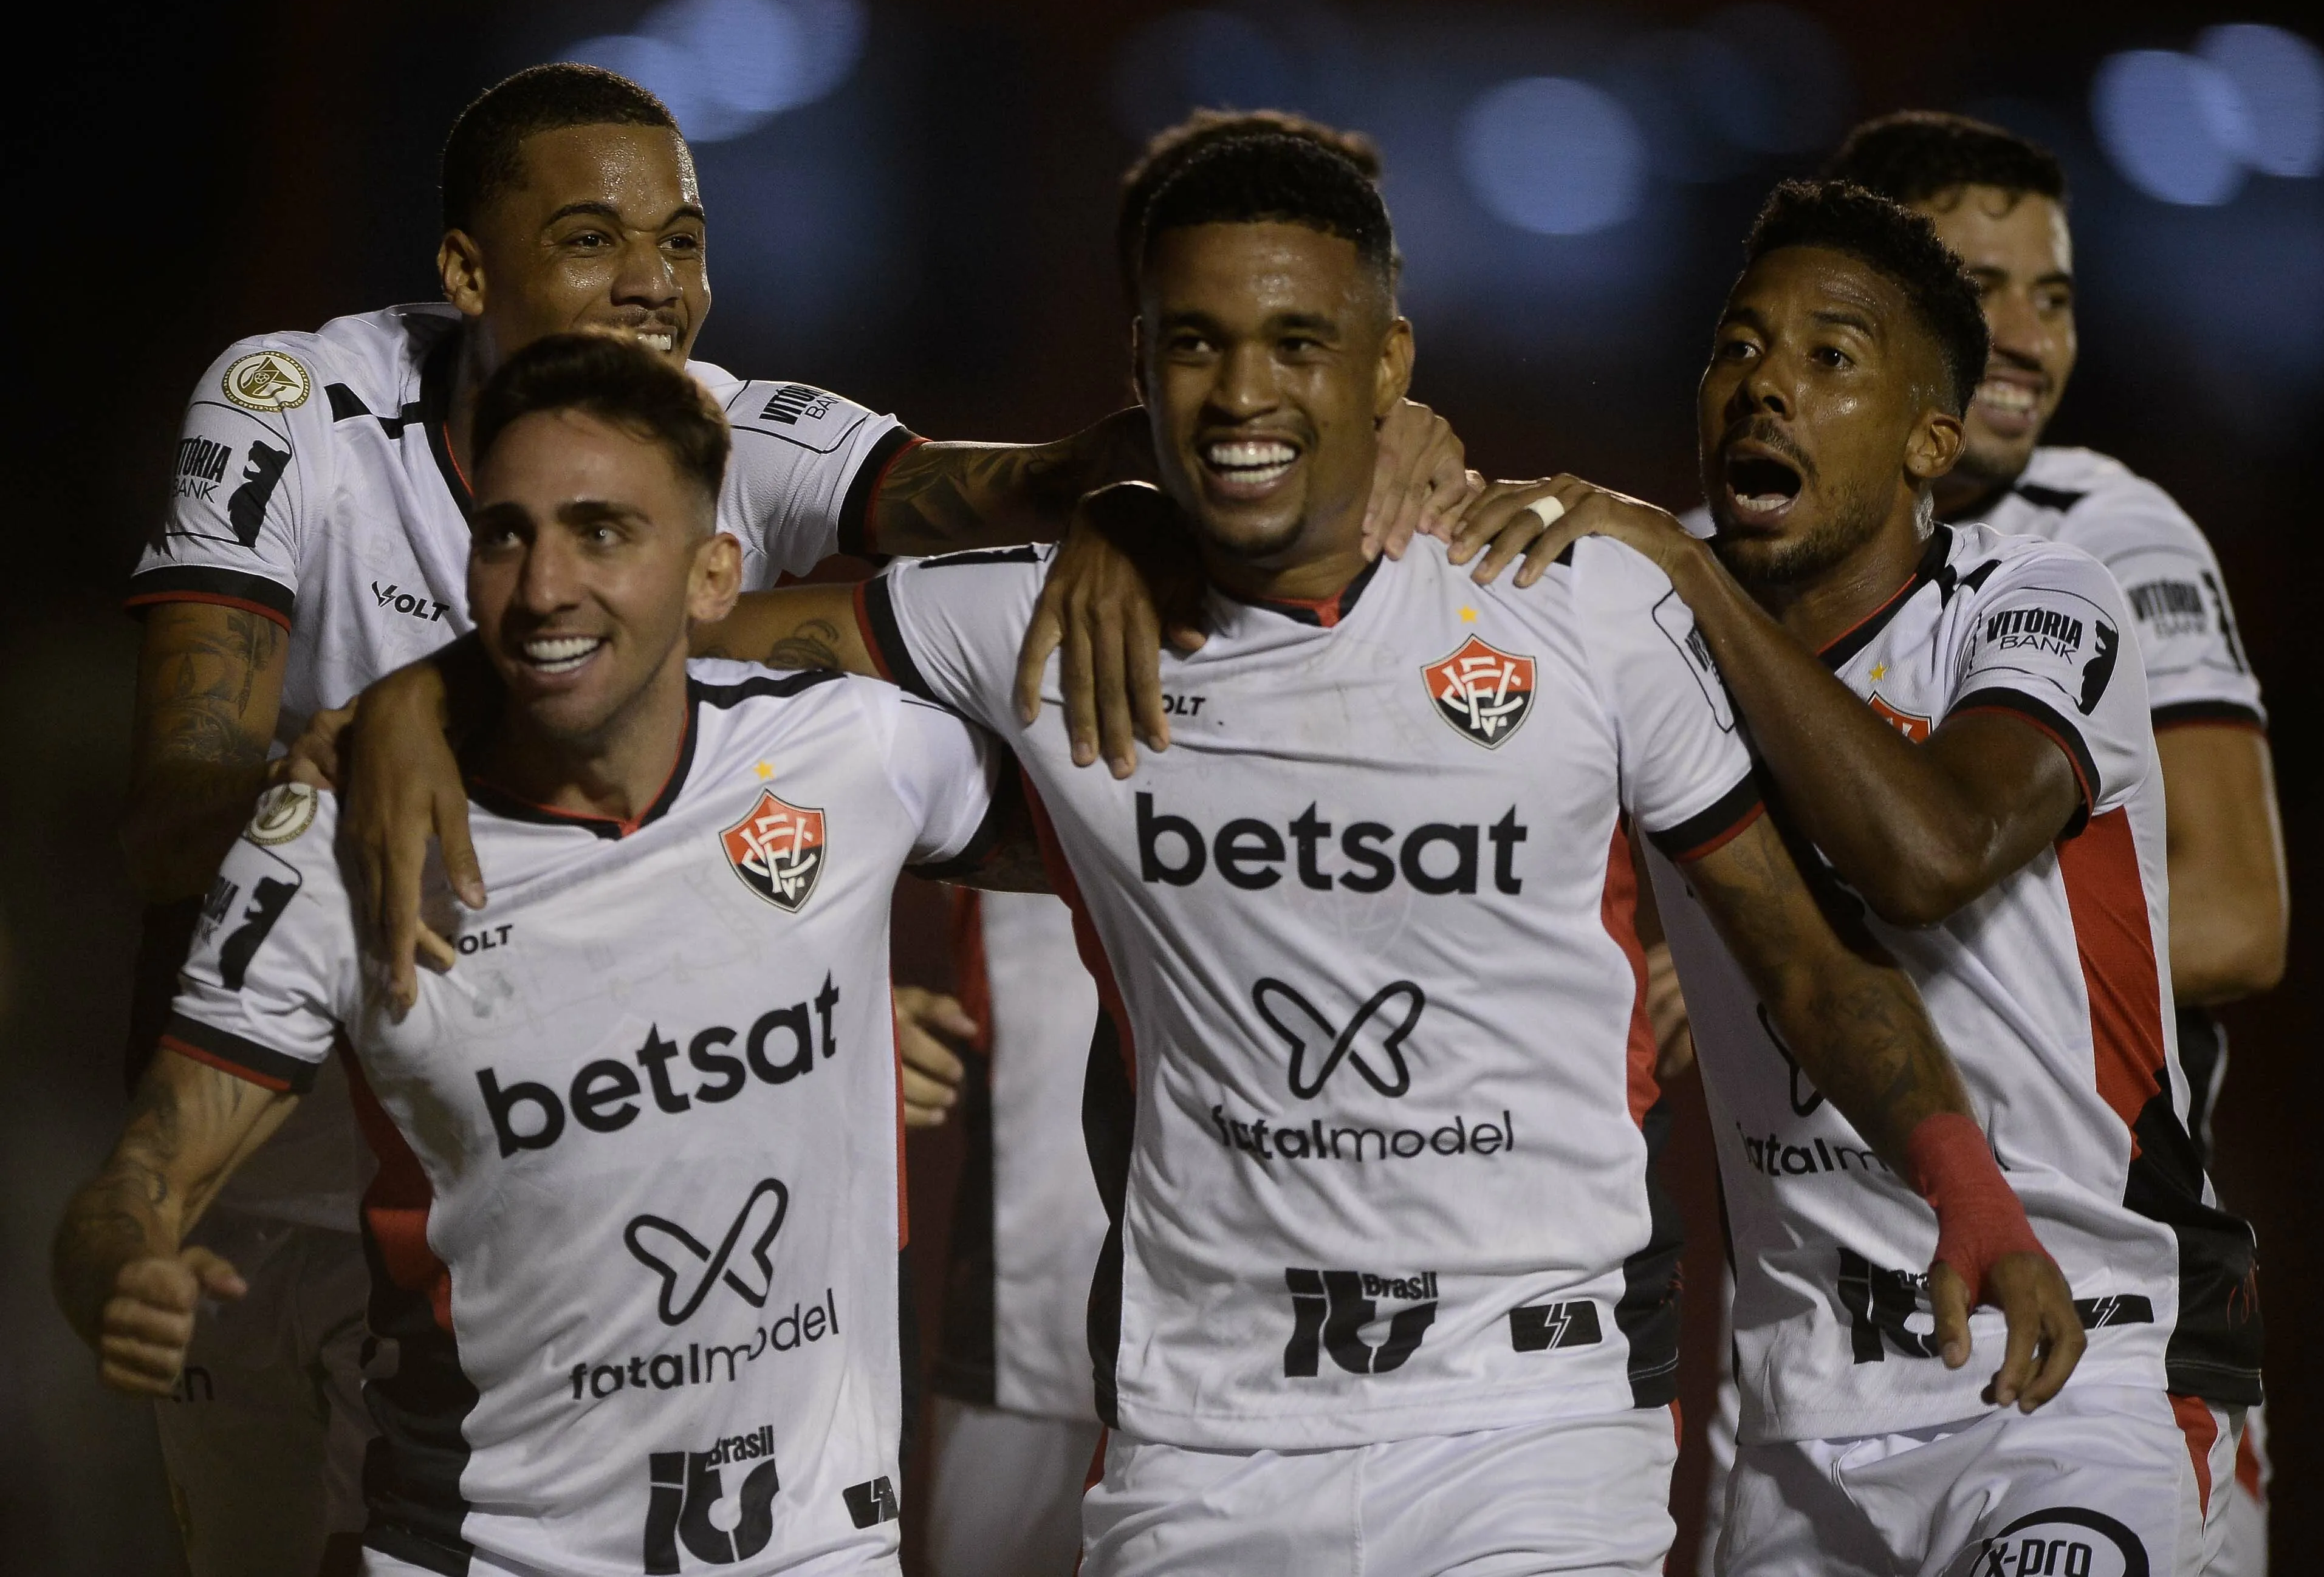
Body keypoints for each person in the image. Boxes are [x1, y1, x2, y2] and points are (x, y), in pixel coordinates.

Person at [337, 132, 2082, 1576]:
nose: (1243, 391)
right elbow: (653, 647)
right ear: (1138, 371)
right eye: (1192, 346)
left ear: (1390, 366)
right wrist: (425, 698)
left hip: (1534, 1430)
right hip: (1202, 1444)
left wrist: (1974, 1195)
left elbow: (1796, 949)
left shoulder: (1582, 603)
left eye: (1297, 345)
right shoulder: (1023, 624)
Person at [117, 60, 1462, 1573]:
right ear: (462, 270)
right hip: (249, 1189)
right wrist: (384, 748)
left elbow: (1032, 480)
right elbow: (172, 816)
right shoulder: (294, 405)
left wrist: (1323, 445)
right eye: (589, 239)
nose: (651, 286)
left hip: (501, 1237)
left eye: (682, 243)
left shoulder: (722, 432)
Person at [62, 333, 1049, 1573]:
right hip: (482, 1550)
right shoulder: (337, 837)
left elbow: (1127, 850)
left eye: (602, 534)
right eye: (505, 536)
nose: (542, 589)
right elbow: (139, 1178)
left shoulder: (850, 753)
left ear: (712, 576)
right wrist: (123, 1269)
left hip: (815, 1547)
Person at [1453, 179, 2261, 1576]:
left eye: (1830, 358)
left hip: (2066, 1386)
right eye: (1737, 348)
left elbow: (1927, 853)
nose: (1763, 386)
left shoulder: (2037, 600)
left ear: (1926, 440)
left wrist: (1688, 580)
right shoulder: (1632, 614)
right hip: (1797, 1420)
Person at [913, 108, 1433, 1577]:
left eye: (1311, 319)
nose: (1256, 367)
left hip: (1406, 1358)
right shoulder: (1034, 590)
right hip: (1054, 1297)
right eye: (1200, 325)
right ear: (1140, 330)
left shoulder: (1456, 568)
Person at [1820, 112, 2286, 1573]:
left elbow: (2233, 918)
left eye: (2055, 295)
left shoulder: (2112, 532)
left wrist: (1842, 940)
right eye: (1979, 287)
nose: (2022, 338)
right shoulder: (1736, 557)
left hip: (2114, 1322)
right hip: (1831, 1346)